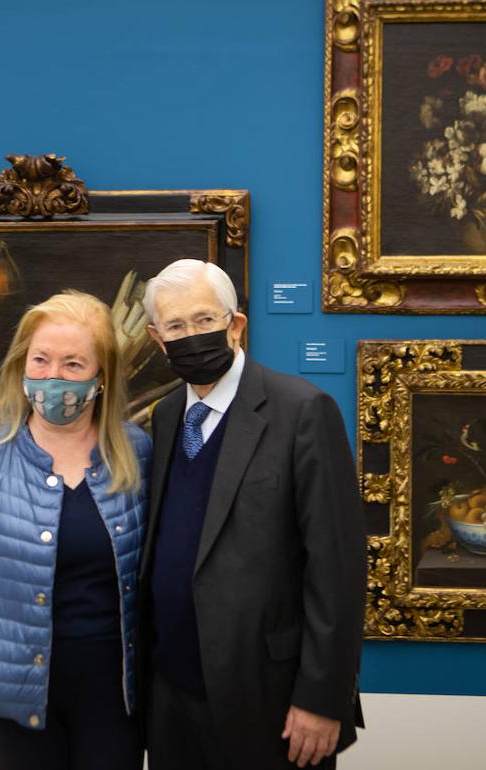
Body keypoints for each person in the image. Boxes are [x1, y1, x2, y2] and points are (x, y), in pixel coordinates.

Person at [139, 259, 366, 769]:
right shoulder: (168, 415)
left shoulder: (303, 411)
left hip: (271, 698)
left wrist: (323, 696)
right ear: (157, 338)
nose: (190, 335)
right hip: (172, 695)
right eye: (175, 327)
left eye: (203, 321)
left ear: (235, 325)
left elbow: (338, 569)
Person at [0, 290, 151, 770]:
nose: (52, 377)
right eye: (40, 360)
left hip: (117, 691)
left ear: (101, 377)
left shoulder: (138, 453)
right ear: (21, 367)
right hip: (15, 694)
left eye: (72, 364)